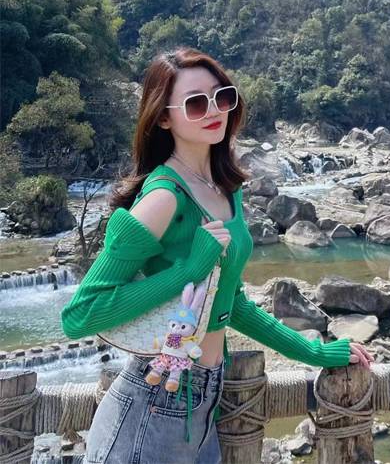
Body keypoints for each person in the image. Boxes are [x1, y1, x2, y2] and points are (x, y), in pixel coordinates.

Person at [61, 47, 373, 463]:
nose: (214, 111)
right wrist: (189, 270)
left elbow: (230, 304)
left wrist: (314, 352)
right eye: (195, 103)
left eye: (222, 97)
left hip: (206, 401)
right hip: (151, 407)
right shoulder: (163, 198)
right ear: (163, 118)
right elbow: (81, 315)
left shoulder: (226, 190)